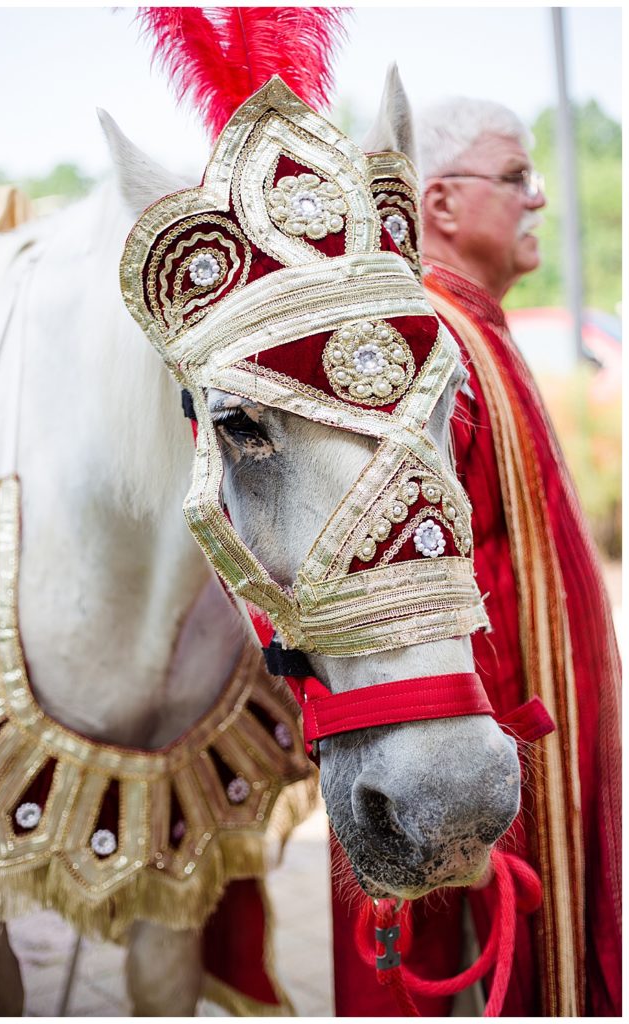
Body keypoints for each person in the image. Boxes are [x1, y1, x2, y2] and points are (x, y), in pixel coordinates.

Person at [414, 97, 621, 1016]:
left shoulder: (476, 326)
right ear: (443, 204)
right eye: (517, 177)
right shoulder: (424, 345)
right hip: (483, 778)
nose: (536, 199)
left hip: (537, 751)